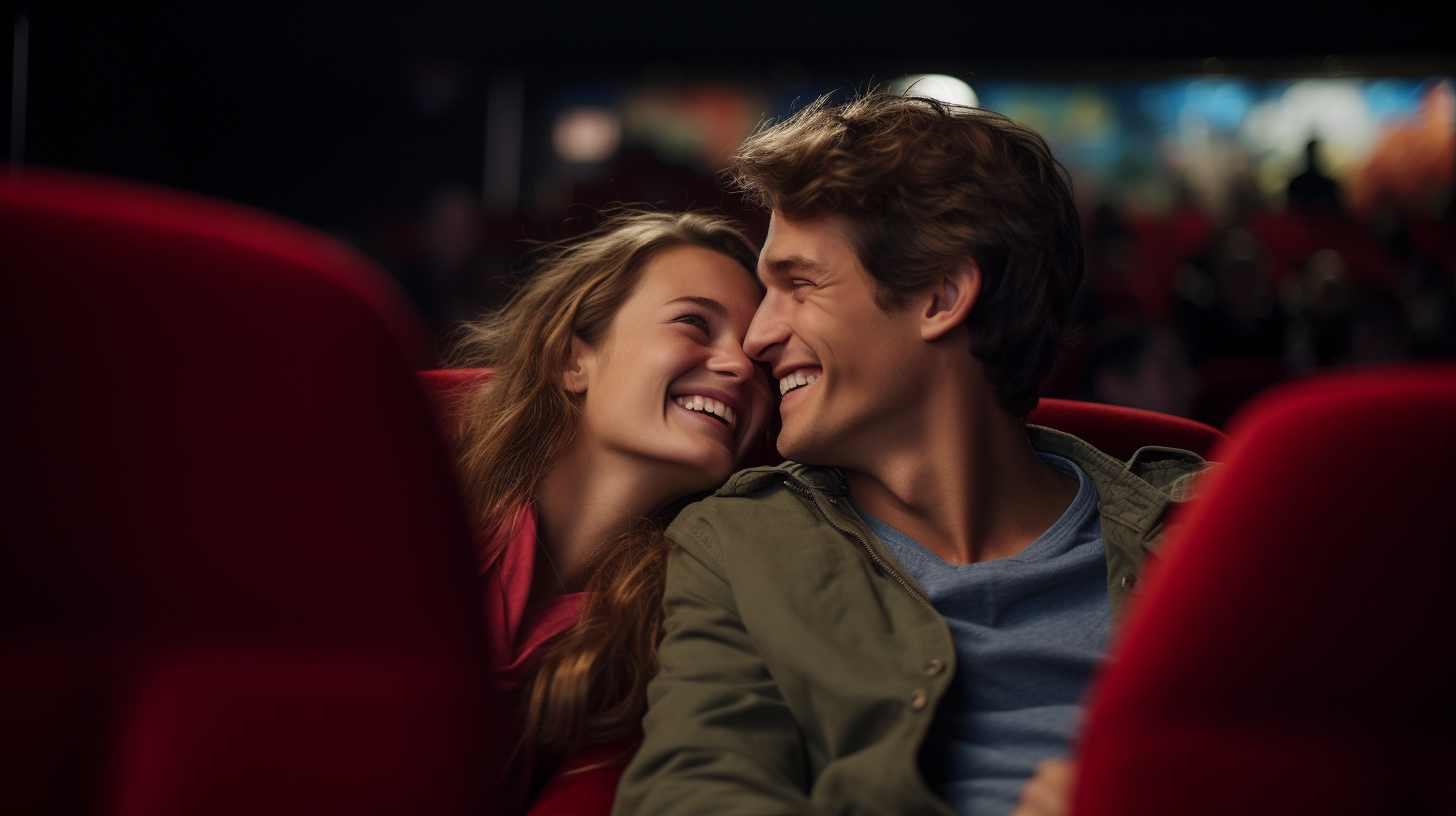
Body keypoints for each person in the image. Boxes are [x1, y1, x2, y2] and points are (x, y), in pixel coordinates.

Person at [614, 95, 1213, 816]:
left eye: (799, 285)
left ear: (943, 295)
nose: (757, 337)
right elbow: (695, 797)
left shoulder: (1211, 529)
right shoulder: (741, 545)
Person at [445, 210, 773, 813]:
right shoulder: (408, 440)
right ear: (573, 359)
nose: (742, 367)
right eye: (694, 323)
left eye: (760, 358)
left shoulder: (690, 625)